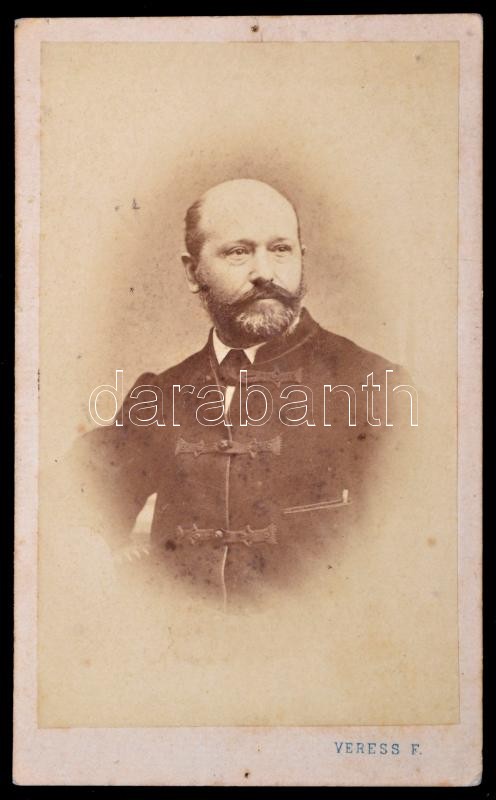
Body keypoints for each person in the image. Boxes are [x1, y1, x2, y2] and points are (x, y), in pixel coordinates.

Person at [73, 178, 412, 608]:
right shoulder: (162, 395)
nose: (265, 272)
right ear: (193, 272)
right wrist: (82, 546)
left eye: (281, 249)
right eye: (238, 252)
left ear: (301, 258)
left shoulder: (376, 386)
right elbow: (72, 498)